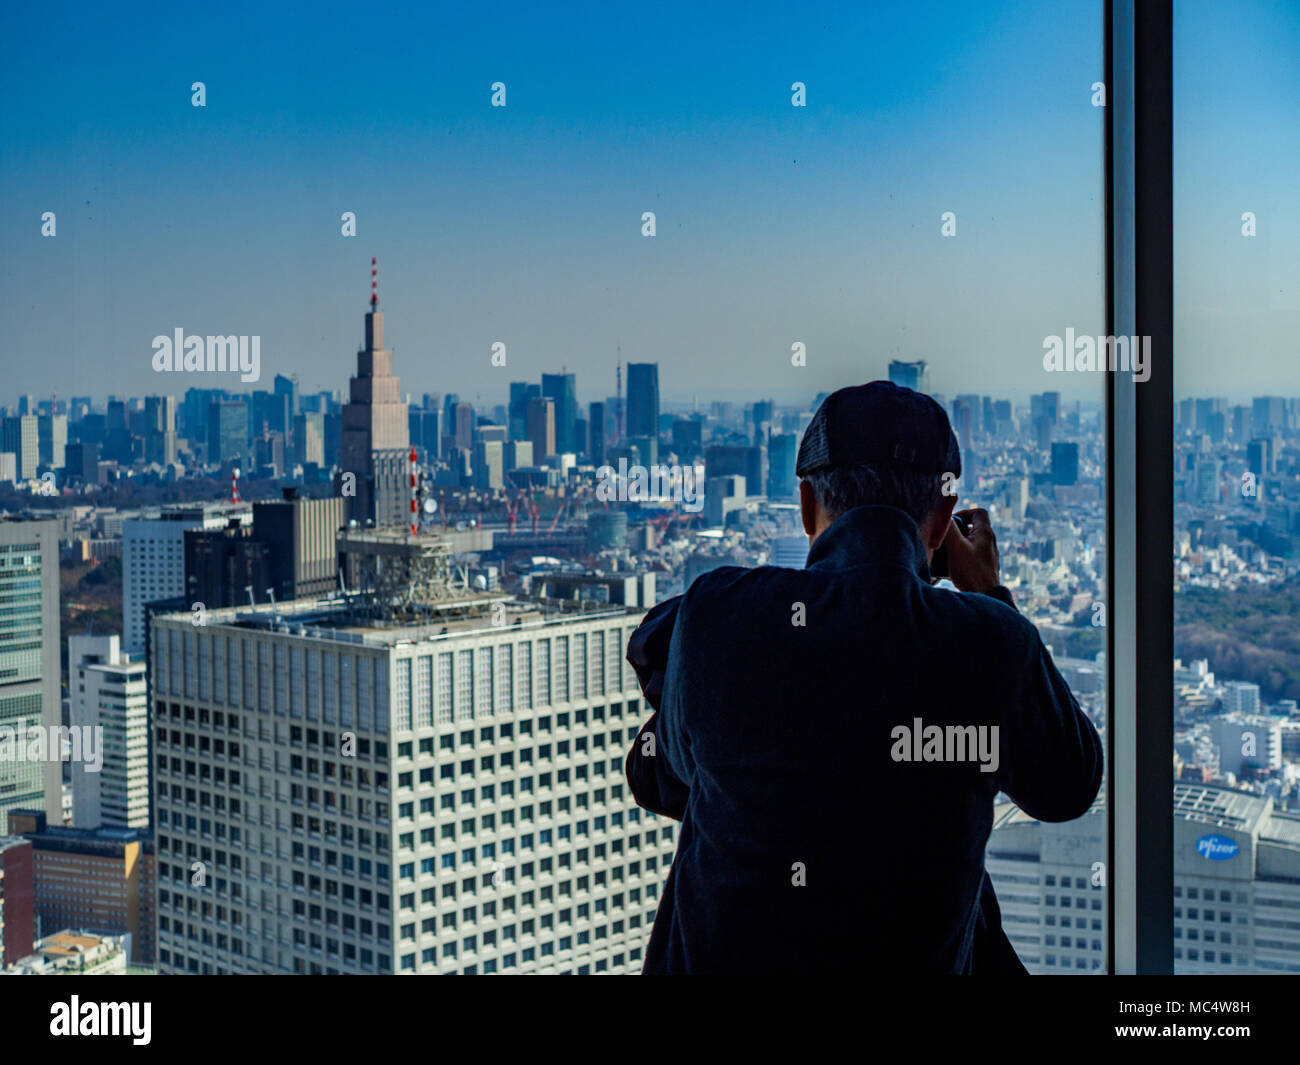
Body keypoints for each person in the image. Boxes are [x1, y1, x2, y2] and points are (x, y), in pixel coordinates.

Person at [624, 381, 1103, 974]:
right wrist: (989, 595)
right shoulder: (987, 645)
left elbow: (658, 777)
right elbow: (1069, 785)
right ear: (943, 523)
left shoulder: (718, 615)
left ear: (806, 504)